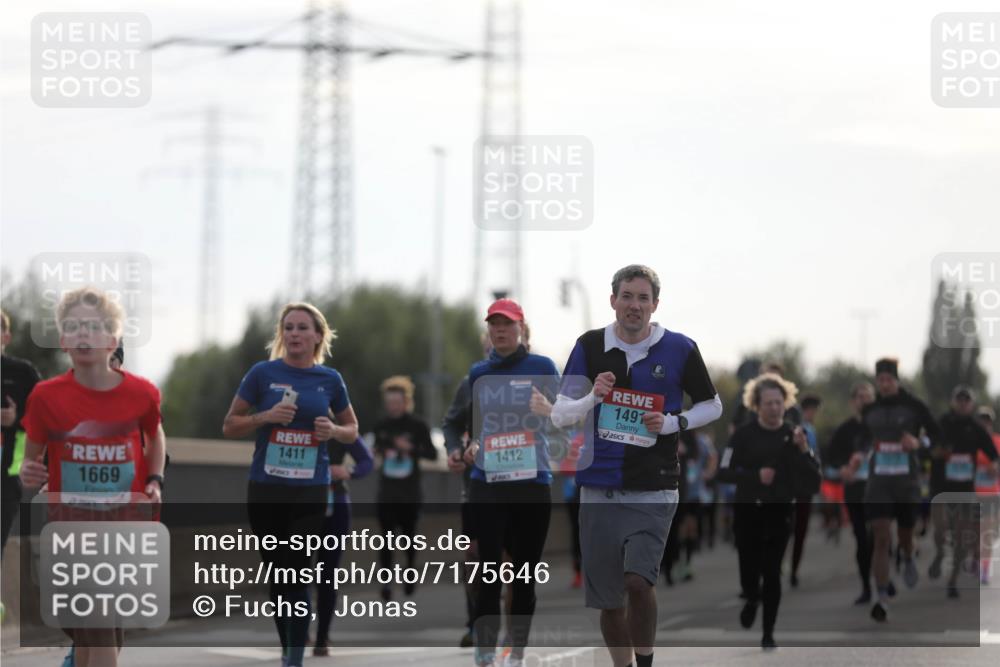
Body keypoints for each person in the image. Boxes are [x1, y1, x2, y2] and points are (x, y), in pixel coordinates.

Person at [551, 264, 722, 667]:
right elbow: (559, 415)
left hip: (654, 487)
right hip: (599, 488)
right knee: (610, 601)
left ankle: (644, 662)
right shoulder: (589, 346)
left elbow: (713, 405)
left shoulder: (679, 348)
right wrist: (592, 398)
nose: (634, 305)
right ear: (613, 301)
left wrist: (673, 423)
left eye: (643, 298)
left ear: (655, 305)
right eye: (627, 296)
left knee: (638, 583)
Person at [18, 287, 166, 667]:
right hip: (71, 529)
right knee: (96, 627)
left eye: (94, 326)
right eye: (74, 327)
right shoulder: (45, 397)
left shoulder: (141, 393)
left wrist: (155, 480)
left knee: (104, 632)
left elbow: (155, 438)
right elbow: (31, 459)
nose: (83, 333)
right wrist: (30, 472)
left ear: (112, 341)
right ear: (63, 340)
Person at [222, 302, 359, 667]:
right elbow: (230, 424)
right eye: (289, 328)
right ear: (282, 335)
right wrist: (265, 416)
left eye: (302, 328)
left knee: (297, 571)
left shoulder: (330, 380)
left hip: (310, 489)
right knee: (279, 575)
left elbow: (352, 430)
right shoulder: (262, 373)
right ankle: (288, 647)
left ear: (318, 336)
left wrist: (333, 430)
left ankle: (294, 658)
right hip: (266, 488)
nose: (294, 334)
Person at [448, 297, 560, 667]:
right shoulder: (478, 373)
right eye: (494, 324)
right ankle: (485, 650)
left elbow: (569, 417)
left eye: (507, 324)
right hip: (487, 481)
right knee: (488, 570)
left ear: (521, 328)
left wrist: (550, 410)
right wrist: (466, 448)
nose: (500, 330)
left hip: (532, 481)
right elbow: (470, 426)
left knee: (524, 575)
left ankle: (517, 650)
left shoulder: (543, 367)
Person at [716, 373, 819, 650]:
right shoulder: (742, 436)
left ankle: (768, 633)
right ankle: (752, 597)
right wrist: (754, 476)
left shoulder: (795, 435)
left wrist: (804, 450)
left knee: (772, 572)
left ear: (786, 404)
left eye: (778, 402)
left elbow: (813, 477)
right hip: (748, 511)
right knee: (749, 572)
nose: (774, 408)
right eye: (768, 403)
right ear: (757, 405)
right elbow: (723, 472)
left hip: (780, 511)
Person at [863, 357, 941, 622]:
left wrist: (918, 443)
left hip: (906, 484)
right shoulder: (870, 409)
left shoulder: (914, 406)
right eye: (880, 380)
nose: (884, 384)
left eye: (889, 379)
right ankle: (881, 598)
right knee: (881, 537)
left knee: (905, 536)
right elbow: (860, 440)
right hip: (878, 483)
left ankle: (908, 555)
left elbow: (937, 437)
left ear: (896, 380)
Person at [928, 386, 999, 598]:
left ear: (972, 404)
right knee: (940, 529)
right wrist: (936, 452)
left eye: (966, 400)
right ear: (953, 402)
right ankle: (940, 553)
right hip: (941, 488)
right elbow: (925, 447)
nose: (962, 403)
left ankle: (952, 580)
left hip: (964, 490)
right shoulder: (942, 423)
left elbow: (993, 455)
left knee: (961, 537)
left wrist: (994, 466)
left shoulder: (976, 428)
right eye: (959, 400)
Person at [372, 375, 437, 601]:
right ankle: (386, 581)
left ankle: (410, 574)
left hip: (410, 492)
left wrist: (410, 448)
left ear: (407, 402)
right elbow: (375, 450)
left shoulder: (418, 426)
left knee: (409, 538)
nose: (393, 406)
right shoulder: (381, 425)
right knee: (386, 539)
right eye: (389, 402)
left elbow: (432, 454)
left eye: (397, 402)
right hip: (387, 491)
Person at [313, 435, 373, 655]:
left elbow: (366, 461)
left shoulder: (338, 428)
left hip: (334, 502)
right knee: (295, 572)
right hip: (298, 503)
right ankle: (297, 629)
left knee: (327, 574)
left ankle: (322, 636)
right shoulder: (291, 423)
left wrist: (349, 471)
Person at [826, 381, 877, 604]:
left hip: (879, 488)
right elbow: (830, 457)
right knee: (862, 539)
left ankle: (883, 577)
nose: (864, 401)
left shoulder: (881, 426)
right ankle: (866, 586)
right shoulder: (845, 429)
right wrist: (842, 469)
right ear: (852, 402)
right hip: (855, 489)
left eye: (868, 397)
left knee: (879, 535)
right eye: (860, 397)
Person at [1, 310, 41, 559]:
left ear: (6, 337)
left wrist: (15, 420)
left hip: (5, 478)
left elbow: (44, 417)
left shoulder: (23, 373)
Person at [789, 394, 822, 587]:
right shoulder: (799, 430)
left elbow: (814, 458)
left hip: (804, 485)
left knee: (799, 530)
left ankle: (793, 569)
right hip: (793, 485)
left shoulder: (811, 430)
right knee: (794, 529)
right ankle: (790, 568)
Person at [975, 406, 1000, 584]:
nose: (984, 424)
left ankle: (984, 567)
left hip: (991, 493)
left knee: (987, 533)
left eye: (987, 421)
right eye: (981, 421)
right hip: (971, 494)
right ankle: (975, 562)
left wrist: (996, 469)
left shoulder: (997, 441)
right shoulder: (969, 442)